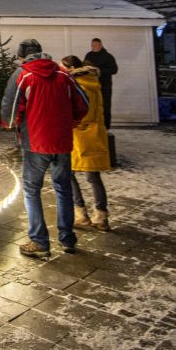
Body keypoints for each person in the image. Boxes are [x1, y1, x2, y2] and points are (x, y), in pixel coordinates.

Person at [1, 38, 89, 259]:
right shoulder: (63, 75)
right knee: (63, 188)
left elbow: (9, 110)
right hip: (62, 141)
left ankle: (39, 241)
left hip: (36, 142)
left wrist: (12, 125)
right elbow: (83, 104)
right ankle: (67, 239)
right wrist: (71, 121)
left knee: (32, 190)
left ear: (22, 56)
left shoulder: (23, 75)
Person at [62, 55, 112, 231]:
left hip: (81, 136)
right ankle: (101, 215)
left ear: (71, 68)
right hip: (95, 135)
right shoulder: (93, 83)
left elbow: (83, 113)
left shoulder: (79, 86)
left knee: (69, 173)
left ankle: (81, 213)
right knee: (93, 177)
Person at [84, 38, 119, 128]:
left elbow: (114, 70)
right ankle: (93, 126)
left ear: (100, 45)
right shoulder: (89, 55)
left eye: (95, 45)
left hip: (105, 85)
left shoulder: (108, 56)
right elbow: (85, 66)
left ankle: (106, 126)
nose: (93, 47)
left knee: (105, 105)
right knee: (92, 105)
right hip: (91, 84)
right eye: (92, 45)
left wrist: (100, 71)